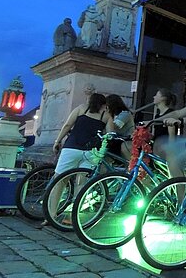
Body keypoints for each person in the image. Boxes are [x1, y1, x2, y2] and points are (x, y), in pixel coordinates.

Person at [46, 93, 111, 225]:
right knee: (81, 184)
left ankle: (50, 215)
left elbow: (67, 125)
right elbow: (110, 135)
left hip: (71, 148)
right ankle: (71, 216)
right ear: (103, 104)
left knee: (59, 181)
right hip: (91, 152)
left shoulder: (81, 109)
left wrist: (57, 141)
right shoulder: (106, 116)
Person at [105, 94, 135, 159]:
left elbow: (115, 126)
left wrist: (107, 115)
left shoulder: (125, 114)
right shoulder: (114, 115)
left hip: (126, 141)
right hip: (116, 140)